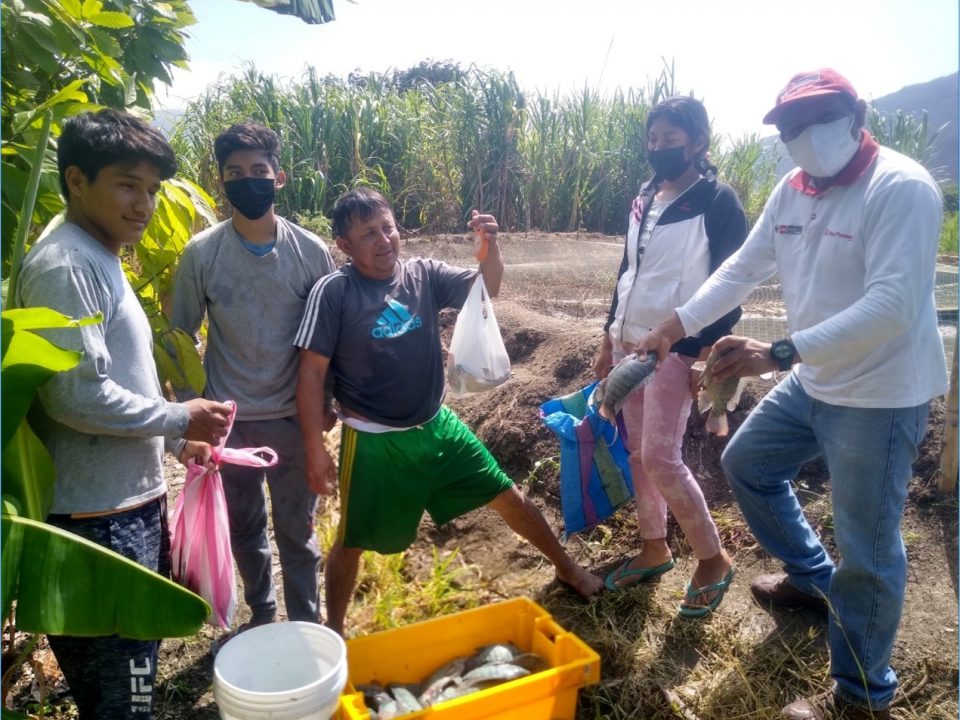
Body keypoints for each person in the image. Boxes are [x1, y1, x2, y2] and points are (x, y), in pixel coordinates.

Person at [635, 69, 946, 720]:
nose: (803, 135)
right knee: (748, 464)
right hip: (815, 376)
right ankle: (813, 579)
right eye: (790, 126)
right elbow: (742, 268)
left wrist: (777, 353)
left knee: (868, 546)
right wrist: (674, 326)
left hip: (880, 392)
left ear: (856, 115)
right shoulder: (792, 190)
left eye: (817, 119)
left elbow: (892, 305)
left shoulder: (901, 187)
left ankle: (862, 697)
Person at [294, 187, 605, 635]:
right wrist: (313, 447)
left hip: (438, 425)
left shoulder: (423, 273)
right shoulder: (334, 293)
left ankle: (567, 568)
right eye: (368, 234)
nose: (383, 240)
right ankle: (335, 632)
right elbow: (311, 371)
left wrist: (490, 248)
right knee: (353, 540)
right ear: (344, 245)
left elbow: (487, 288)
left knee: (507, 494)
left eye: (387, 227)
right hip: (375, 442)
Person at [16, 109, 233, 719]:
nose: (144, 204)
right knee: (123, 693)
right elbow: (76, 397)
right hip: (97, 524)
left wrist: (176, 442)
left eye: (153, 188)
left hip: (120, 508)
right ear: (77, 180)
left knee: (127, 682)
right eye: (127, 185)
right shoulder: (67, 266)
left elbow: (116, 383)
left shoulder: (97, 254)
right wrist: (178, 417)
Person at [171, 121, 337, 639]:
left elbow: (329, 339)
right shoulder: (202, 253)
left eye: (258, 170)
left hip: (293, 419)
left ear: (278, 177)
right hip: (229, 424)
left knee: (297, 531)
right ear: (222, 182)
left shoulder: (310, 251)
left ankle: (306, 623)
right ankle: (262, 615)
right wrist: (192, 419)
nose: (248, 181)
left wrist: (327, 406)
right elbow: (179, 338)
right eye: (235, 173)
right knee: (245, 528)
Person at [595, 96, 748, 617]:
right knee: (639, 453)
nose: (658, 147)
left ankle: (713, 559)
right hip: (630, 344)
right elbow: (628, 270)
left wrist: (706, 355)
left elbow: (731, 285)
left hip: (677, 349)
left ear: (698, 143)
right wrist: (608, 337)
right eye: (652, 139)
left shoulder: (717, 201)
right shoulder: (645, 197)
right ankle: (654, 548)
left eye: (670, 139)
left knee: (662, 456)